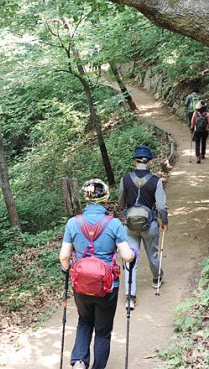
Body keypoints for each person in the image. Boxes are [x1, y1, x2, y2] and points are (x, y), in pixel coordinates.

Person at [60, 179, 136, 369]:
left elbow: (64, 256)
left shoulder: (72, 223)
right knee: (102, 331)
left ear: (86, 198)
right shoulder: (114, 224)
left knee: (84, 321)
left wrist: (66, 267)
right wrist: (132, 254)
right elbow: (127, 256)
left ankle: (79, 361)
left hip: (82, 286)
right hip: (107, 287)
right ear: (106, 197)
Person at [118, 145, 168, 310]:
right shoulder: (156, 181)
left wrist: (126, 212)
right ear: (150, 162)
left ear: (135, 160)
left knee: (130, 258)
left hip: (130, 225)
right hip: (150, 224)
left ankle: (130, 297)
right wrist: (164, 221)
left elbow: (120, 201)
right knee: (152, 252)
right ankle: (156, 278)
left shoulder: (125, 179)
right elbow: (161, 206)